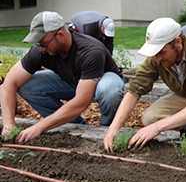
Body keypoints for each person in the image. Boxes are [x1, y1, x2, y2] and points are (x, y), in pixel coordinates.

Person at [104, 17, 186, 153]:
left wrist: (157, 128)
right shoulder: (157, 55)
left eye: (162, 52)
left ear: (178, 42)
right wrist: (113, 129)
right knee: (150, 118)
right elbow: (135, 89)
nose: (157, 59)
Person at [0, 11, 125, 143]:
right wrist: (8, 125)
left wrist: (39, 127)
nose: (41, 49)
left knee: (109, 90)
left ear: (60, 35)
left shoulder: (91, 50)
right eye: (39, 44)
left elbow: (81, 102)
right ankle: (74, 125)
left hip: (101, 81)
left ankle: (106, 129)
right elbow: (9, 83)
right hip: (74, 82)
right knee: (26, 86)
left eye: (44, 44)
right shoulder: (41, 50)